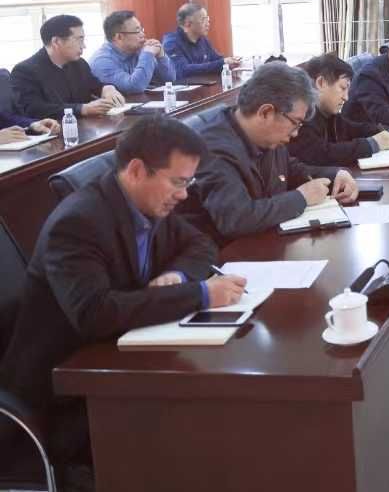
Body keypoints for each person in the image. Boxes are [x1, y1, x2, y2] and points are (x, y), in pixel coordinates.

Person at [0, 117, 246, 480]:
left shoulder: (147, 203)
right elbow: (95, 312)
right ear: (136, 171)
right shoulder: (78, 223)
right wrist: (199, 294)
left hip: (120, 355)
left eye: (188, 182)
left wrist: (177, 276)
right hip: (64, 394)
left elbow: (200, 244)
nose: (184, 195)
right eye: (178, 182)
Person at [179, 62, 357, 246]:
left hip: (263, 244)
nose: (296, 133)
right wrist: (301, 198)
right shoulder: (214, 148)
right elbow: (237, 219)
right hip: (224, 254)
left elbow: (290, 169)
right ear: (265, 112)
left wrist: (336, 174)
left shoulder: (267, 137)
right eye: (295, 123)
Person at [289, 54, 389, 167]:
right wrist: (371, 144)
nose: (346, 97)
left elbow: (356, 128)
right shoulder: (301, 117)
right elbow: (321, 153)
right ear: (321, 83)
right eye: (342, 88)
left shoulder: (329, 114)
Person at [12, 14, 125, 119]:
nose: (84, 46)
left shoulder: (79, 63)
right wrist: (82, 109)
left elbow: (95, 85)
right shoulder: (25, 71)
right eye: (79, 40)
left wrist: (107, 89)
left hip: (87, 126)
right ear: (56, 42)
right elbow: (34, 109)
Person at [88, 10, 177, 94]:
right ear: (119, 37)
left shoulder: (137, 50)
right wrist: (147, 55)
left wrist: (161, 56)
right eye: (137, 31)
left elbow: (169, 80)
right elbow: (134, 87)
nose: (143, 35)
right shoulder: (101, 61)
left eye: (141, 29)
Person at [162, 2, 241, 81]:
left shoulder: (202, 39)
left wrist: (230, 62)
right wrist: (222, 63)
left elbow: (217, 59)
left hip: (206, 85)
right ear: (187, 24)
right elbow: (182, 70)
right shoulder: (171, 43)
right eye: (203, 19)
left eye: (207, 19)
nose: (208, 24)